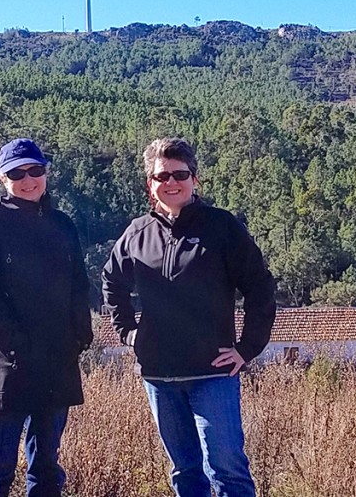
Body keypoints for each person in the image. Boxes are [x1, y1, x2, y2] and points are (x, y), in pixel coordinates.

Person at [102, 137, 277, 497]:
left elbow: (260, 288)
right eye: (161, 176)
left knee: (227, 470)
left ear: (195, 179)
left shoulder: (222, 228)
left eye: (179, 174)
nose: (171, 182)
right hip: (159, 377)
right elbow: (111, 281)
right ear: (149, 184)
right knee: (185, 473)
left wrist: (247, 348)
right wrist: (128, 333)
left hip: (212, 374)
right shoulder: (137, 233)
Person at [0, 138, 93, 497]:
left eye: (35, 170)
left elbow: (80, 286)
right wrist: (16, 345)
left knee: (47, 469)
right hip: (7, 366)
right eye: (17, 173)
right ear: (2, 179)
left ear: (45, 173)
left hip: (58, 363)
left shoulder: (63, 225)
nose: (28, 179)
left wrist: (80, 335)